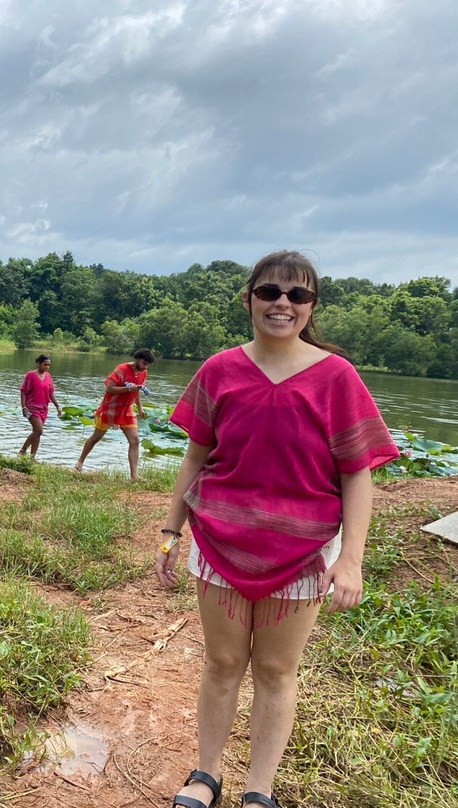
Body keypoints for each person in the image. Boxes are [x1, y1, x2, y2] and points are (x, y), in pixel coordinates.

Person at [154, 251, 398, 808]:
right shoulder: (218, 370)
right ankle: (206, 775)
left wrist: (351, 558)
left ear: (312, 307)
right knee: (221, 663)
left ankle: (258, 789)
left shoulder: (337, 377)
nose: (282, 304)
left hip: (303, 551)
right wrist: (172, 531)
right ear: (249, 300)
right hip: (220, 541)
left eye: (297, 295)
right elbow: (194, 458)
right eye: (269, 292)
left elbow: (357, 473)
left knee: (276, 668)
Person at [75, 348, 155, 480]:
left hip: (127, 410)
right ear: (136, 360)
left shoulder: (143, 373)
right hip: (110, 409)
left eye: (148, 365)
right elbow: (109, 388)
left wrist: (140, 408)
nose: (145, 367)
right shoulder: (122, 369)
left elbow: (137, 391)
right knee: (96, 438)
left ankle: (134, 476)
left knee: (134, 441)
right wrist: (128, 388)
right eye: (144, 363)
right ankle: (80, 462)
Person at [18, 355, 62, 459]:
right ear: (39, 364)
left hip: (44, 408)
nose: (47, 367)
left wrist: (57, 406)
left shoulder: (48, 377)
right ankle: (23, 450)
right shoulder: (31, 375)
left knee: (37, 432)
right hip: (32, 407)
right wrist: (23, 406)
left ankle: (32, 457)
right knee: (39, 430)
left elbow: (51, 394)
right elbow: (23, 391)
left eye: (49, 365)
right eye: (45, 364)